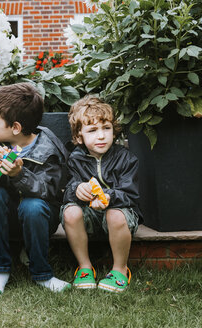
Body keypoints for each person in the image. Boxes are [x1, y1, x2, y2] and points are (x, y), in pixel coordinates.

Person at [0, 82, 71, 295]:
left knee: (33, 205)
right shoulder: (1, 141)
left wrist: (19, 175)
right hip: (8, 217)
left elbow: (49, 191)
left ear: (16, 127)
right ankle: (0, 270)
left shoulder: (48, 150)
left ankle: (42, 274)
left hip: (40, 218)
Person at [62, 95, 141, 293]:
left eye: (106, 128)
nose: (101, 136)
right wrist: (76, 189)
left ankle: (120, 269)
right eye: (92, 130)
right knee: (70, 212)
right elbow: (66, 192)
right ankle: (85, 267)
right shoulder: (75, 160)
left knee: (115, 214)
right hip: (89, 216)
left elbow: (130, 195)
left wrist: (108, 197)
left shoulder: (126, 159)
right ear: (79, 136)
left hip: (119, 218)